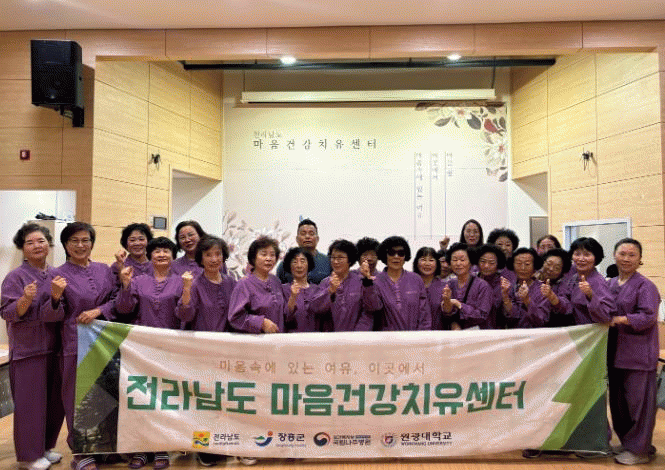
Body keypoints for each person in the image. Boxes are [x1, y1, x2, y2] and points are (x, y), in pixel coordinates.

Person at [42, 222, 118, 470]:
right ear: (65, 245)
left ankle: (103, 447)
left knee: (105, 397)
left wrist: (99, 310)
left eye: (85, 240)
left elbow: (117, 300)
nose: (80, 245)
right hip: (74, 344)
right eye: (74, 241)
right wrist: (55, 296)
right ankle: (80, 452)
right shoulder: (56, 275)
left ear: (92, 243)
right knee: (78, 398)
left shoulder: (104, 270)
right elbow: (49, 316)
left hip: (105, 342)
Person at [115, 237, 186, 470]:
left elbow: (186, 315)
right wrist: (126, 285)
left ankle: (161, 447)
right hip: (141, 348)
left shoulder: (182, 282)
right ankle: (141, 449)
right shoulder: (138, 280)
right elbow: (124, 308)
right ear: (150, 255)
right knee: (140, 398)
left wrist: (187, 291)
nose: (161, 254)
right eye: (157, 251)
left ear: (173, 256)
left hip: (170, 348)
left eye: (166, 251)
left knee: (164, 398)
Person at [1, 223, 64, 470]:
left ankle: (45, 448)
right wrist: (26, 298)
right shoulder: (15, 277)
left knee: (53, 403)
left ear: (49, 244)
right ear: (22, 248)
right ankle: (28, 456)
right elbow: (7, 312)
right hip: (28, 350)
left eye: (41, 241)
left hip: (54, 347)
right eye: (30, 242)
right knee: (30, 405)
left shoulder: (56, 274)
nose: (37, 246)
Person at [176, 236, 236, 467]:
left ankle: (220, 442)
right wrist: (186, 289)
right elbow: (185, 315)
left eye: (218, 254)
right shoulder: (194, 283)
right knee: (202, 402)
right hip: (200, 352)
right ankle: (203, 447)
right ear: (201, 258)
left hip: (227, 352)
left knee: (223, 400)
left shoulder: (231, 283)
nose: (214, 259)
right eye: (208, 254)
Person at [607, 238, 660, 465]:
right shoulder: (610, 284)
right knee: (619, 404)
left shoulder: (646, 286)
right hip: (614, 354)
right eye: (622, 254)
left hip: (638, 355)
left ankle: (640, 450)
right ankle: (629, 442)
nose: (626, 259)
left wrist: (620, 319)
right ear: (614, 256)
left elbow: (648, 317)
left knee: (639, 406)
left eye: (632, 255)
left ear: (640, 259)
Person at [363, 236, 430, 330]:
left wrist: (421, 336)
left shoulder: (416, 280)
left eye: (401, 253)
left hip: (415, 337)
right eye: (391, 253)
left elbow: (425, 314)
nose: (396, 257)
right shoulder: (376, 282)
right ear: (385, 255)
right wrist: (367, 282)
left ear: (405, 256)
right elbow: (372, 308)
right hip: (387, 338)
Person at [228, 236, 288, 334]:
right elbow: (235, 318)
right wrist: (261, 323)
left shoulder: (276, 281)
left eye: (272, 255)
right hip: (255, 340)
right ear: (253, 258)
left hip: (277, 339)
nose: (268, 259)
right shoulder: (244, 284)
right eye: (263, 254)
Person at [310, 240, 373, 331]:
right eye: (333, 257)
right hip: (331, 337)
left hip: (357, 336)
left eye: (340, 258)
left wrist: (358, 334)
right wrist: (330, 290)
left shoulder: (360, 281)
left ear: (349, 260)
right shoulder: (325, 283)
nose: (336, 261)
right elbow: (316, 308)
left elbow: (369, 310)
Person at [442, 243, 491, 329]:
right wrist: (446, 302)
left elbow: (482, 316)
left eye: (462, 260)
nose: (458, 263)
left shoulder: (482, 285)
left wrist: (458, 304)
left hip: (477, 333)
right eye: (454, 260)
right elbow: (446, 315)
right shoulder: (448, 284)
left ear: (470, 262)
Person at [568, 237, 616, 325]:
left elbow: (607, 315)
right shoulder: (574, 278)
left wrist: (591, 295)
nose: (581, 259)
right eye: (577, 254)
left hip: (591, 331)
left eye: (587, 255)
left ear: (596, 258)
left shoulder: (598, 282)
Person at [501, 247, 549, 328]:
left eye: (527, 264)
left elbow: (542, 320)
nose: (523, 268)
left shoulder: (543, 289)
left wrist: (527, 301)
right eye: (518, 264)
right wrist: (505, 297)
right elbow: (510, 317)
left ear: (534, 266)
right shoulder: (509, 287)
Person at [277, 219, 331, 284]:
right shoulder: (286, 263)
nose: (307, 236)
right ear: (297, 239)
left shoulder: (328, 262)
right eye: (303, 234)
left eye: (311, 234)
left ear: (317, 239)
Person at [281, 247, 319, 332]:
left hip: (316, 337)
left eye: (302, 261)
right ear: (289, 266)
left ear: (309, 264)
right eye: (295, 262)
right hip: (292, 338)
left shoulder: (317, 290)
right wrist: (293, 297)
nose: (299, 266)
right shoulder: (283, 289)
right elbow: (285, 318)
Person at [412, 247, 447, 330]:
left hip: (438, 334)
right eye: (423, 260)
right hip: (413, 334)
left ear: (437, 264)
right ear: (416, 262)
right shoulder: (410, 285)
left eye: (431, 260)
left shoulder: (445, 286)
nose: (427, 264)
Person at [539, 248, 574, 327]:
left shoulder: (564, 284)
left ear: (562, 272)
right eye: (548, 264)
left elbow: (567, 307)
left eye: (557, 268)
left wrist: (552, 296)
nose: (551, 269)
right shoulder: (533, 277)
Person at [476, 244, 507, 329]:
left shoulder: (503, 284)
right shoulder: (471, 280)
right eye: (483, 261)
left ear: (498, 264)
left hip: (496, 330)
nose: (486, 266)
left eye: (491, 263)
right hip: (471, 330)